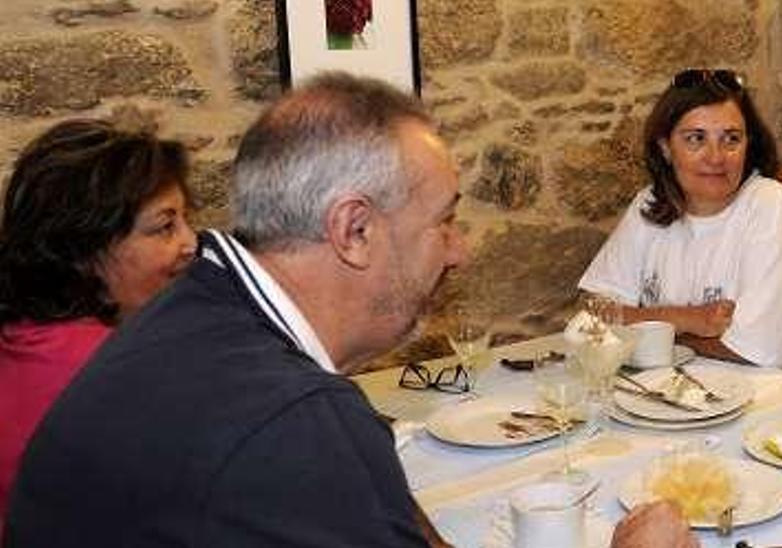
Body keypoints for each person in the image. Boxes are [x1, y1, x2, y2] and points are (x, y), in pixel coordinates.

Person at [3, 73, 695, 548]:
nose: (457, 252)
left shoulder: (195, 307)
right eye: (444, 221)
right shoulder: (294, 424)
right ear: (353, 230)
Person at [578, 69, 782, 381]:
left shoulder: (770, 203)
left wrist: (640, 326)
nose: (716, 157)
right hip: (684, 395)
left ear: (749, 144)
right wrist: (687, 319)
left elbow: (755, 352)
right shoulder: (650, 203)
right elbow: (590, 313)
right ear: (665, 147)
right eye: (696, 139)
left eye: (731, 139)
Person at [0, 120, 196, 532]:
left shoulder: (24, 335)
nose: (190, 242)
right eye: (165, 227)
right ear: (85, 248)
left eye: (184, 220)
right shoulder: (119, 372)